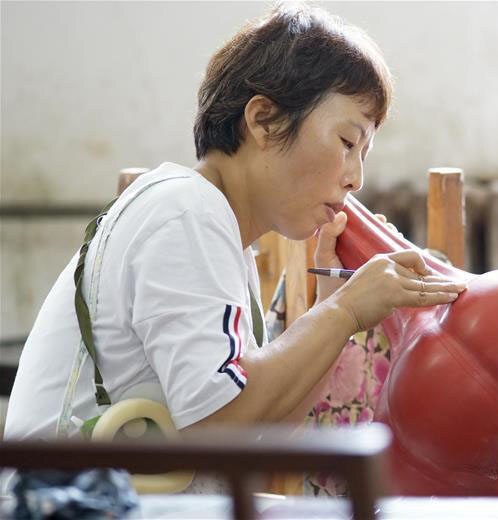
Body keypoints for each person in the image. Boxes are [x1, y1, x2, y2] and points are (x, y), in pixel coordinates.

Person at [4, 3, 466, 447]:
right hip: (61, 492)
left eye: (363, 154)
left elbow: (263, 436)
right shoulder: (186, 213)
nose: (355, 178)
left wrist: (334, 307)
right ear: (264, 121)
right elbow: (218, 425)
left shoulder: (214, 228)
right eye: (347, 142)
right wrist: (344, 310)